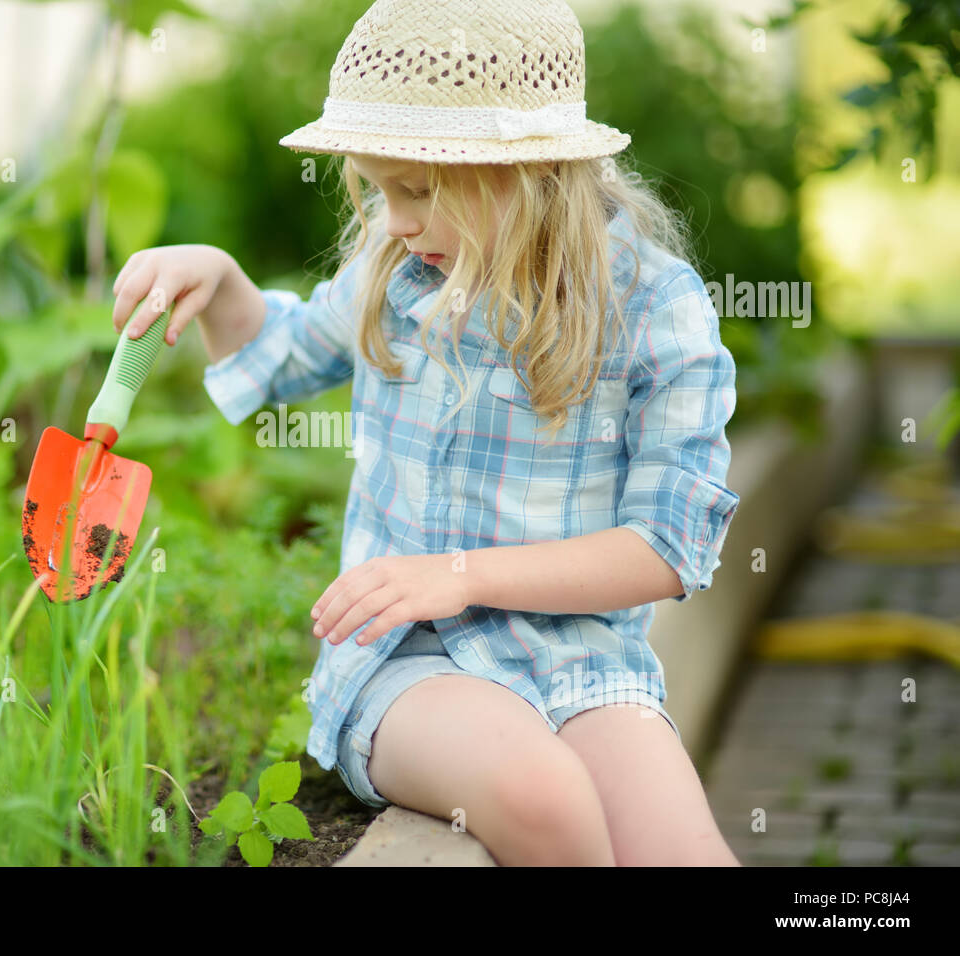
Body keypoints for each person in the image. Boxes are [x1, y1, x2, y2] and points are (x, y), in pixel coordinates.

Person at [109, 0, 742, 866]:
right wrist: (218, 280)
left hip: (581, 665)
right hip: (406, 663)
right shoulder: (397, 268)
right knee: (545, 797)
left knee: (682, 852)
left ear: (532, 171)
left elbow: (666, 547)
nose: (395, 220)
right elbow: (281, 352)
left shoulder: (655, 309)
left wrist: (458, 574)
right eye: (377, 190)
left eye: (417, 191)